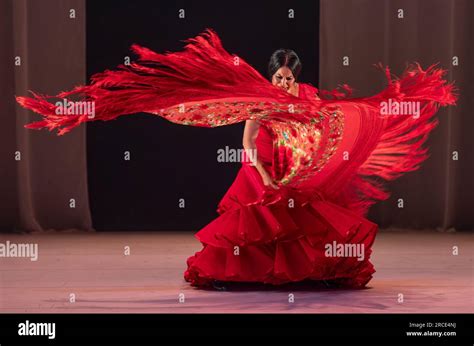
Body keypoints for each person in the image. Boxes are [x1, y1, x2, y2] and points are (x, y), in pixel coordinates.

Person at [16, 29, 457, 290]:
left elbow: (324, 121)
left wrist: (367, 118)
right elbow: (248, 140)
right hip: (260, 167)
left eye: (288, 77)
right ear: (270, 76)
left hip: (293, 168)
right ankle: (246, 275)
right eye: (278, 76)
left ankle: (301, 276)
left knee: (300, 224)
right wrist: (263, 172)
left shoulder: (304, 97)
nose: (283, 81)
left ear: (294, 78)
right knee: (257, 225)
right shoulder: (259, 101)